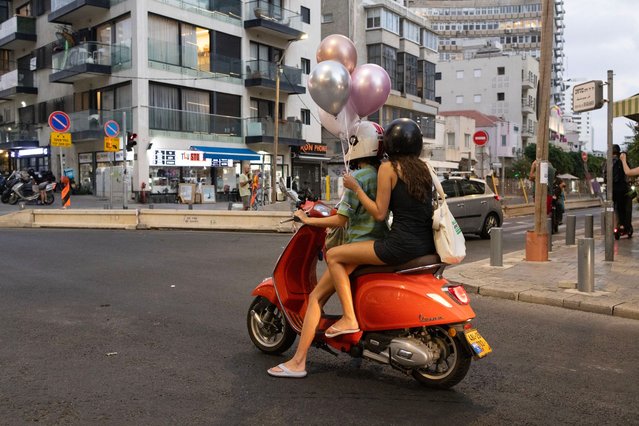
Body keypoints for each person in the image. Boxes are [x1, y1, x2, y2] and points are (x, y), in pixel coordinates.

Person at [267, 127, 387, 378]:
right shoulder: (380, 173)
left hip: (356, 247)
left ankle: (298, 362)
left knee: (315, 299)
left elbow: (340, 220)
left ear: (358, 145)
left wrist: (307, 221)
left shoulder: (358, 177)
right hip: (377, 243)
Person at [323, 118, 436, 338]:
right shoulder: (423, 168)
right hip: (426, 244)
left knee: (334, 255)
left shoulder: (388, 168)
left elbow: (379, 213)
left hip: (400, 245)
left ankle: (348, 318)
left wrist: (356, 188)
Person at [603, 145, 632, 234]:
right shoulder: (623, 161)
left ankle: (608, 226)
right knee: (623, 208)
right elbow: (628, 174)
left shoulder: (606, 163)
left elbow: (604, 176)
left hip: (610, 190)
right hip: (622, 189)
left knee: (609, 208)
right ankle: (623, 225)